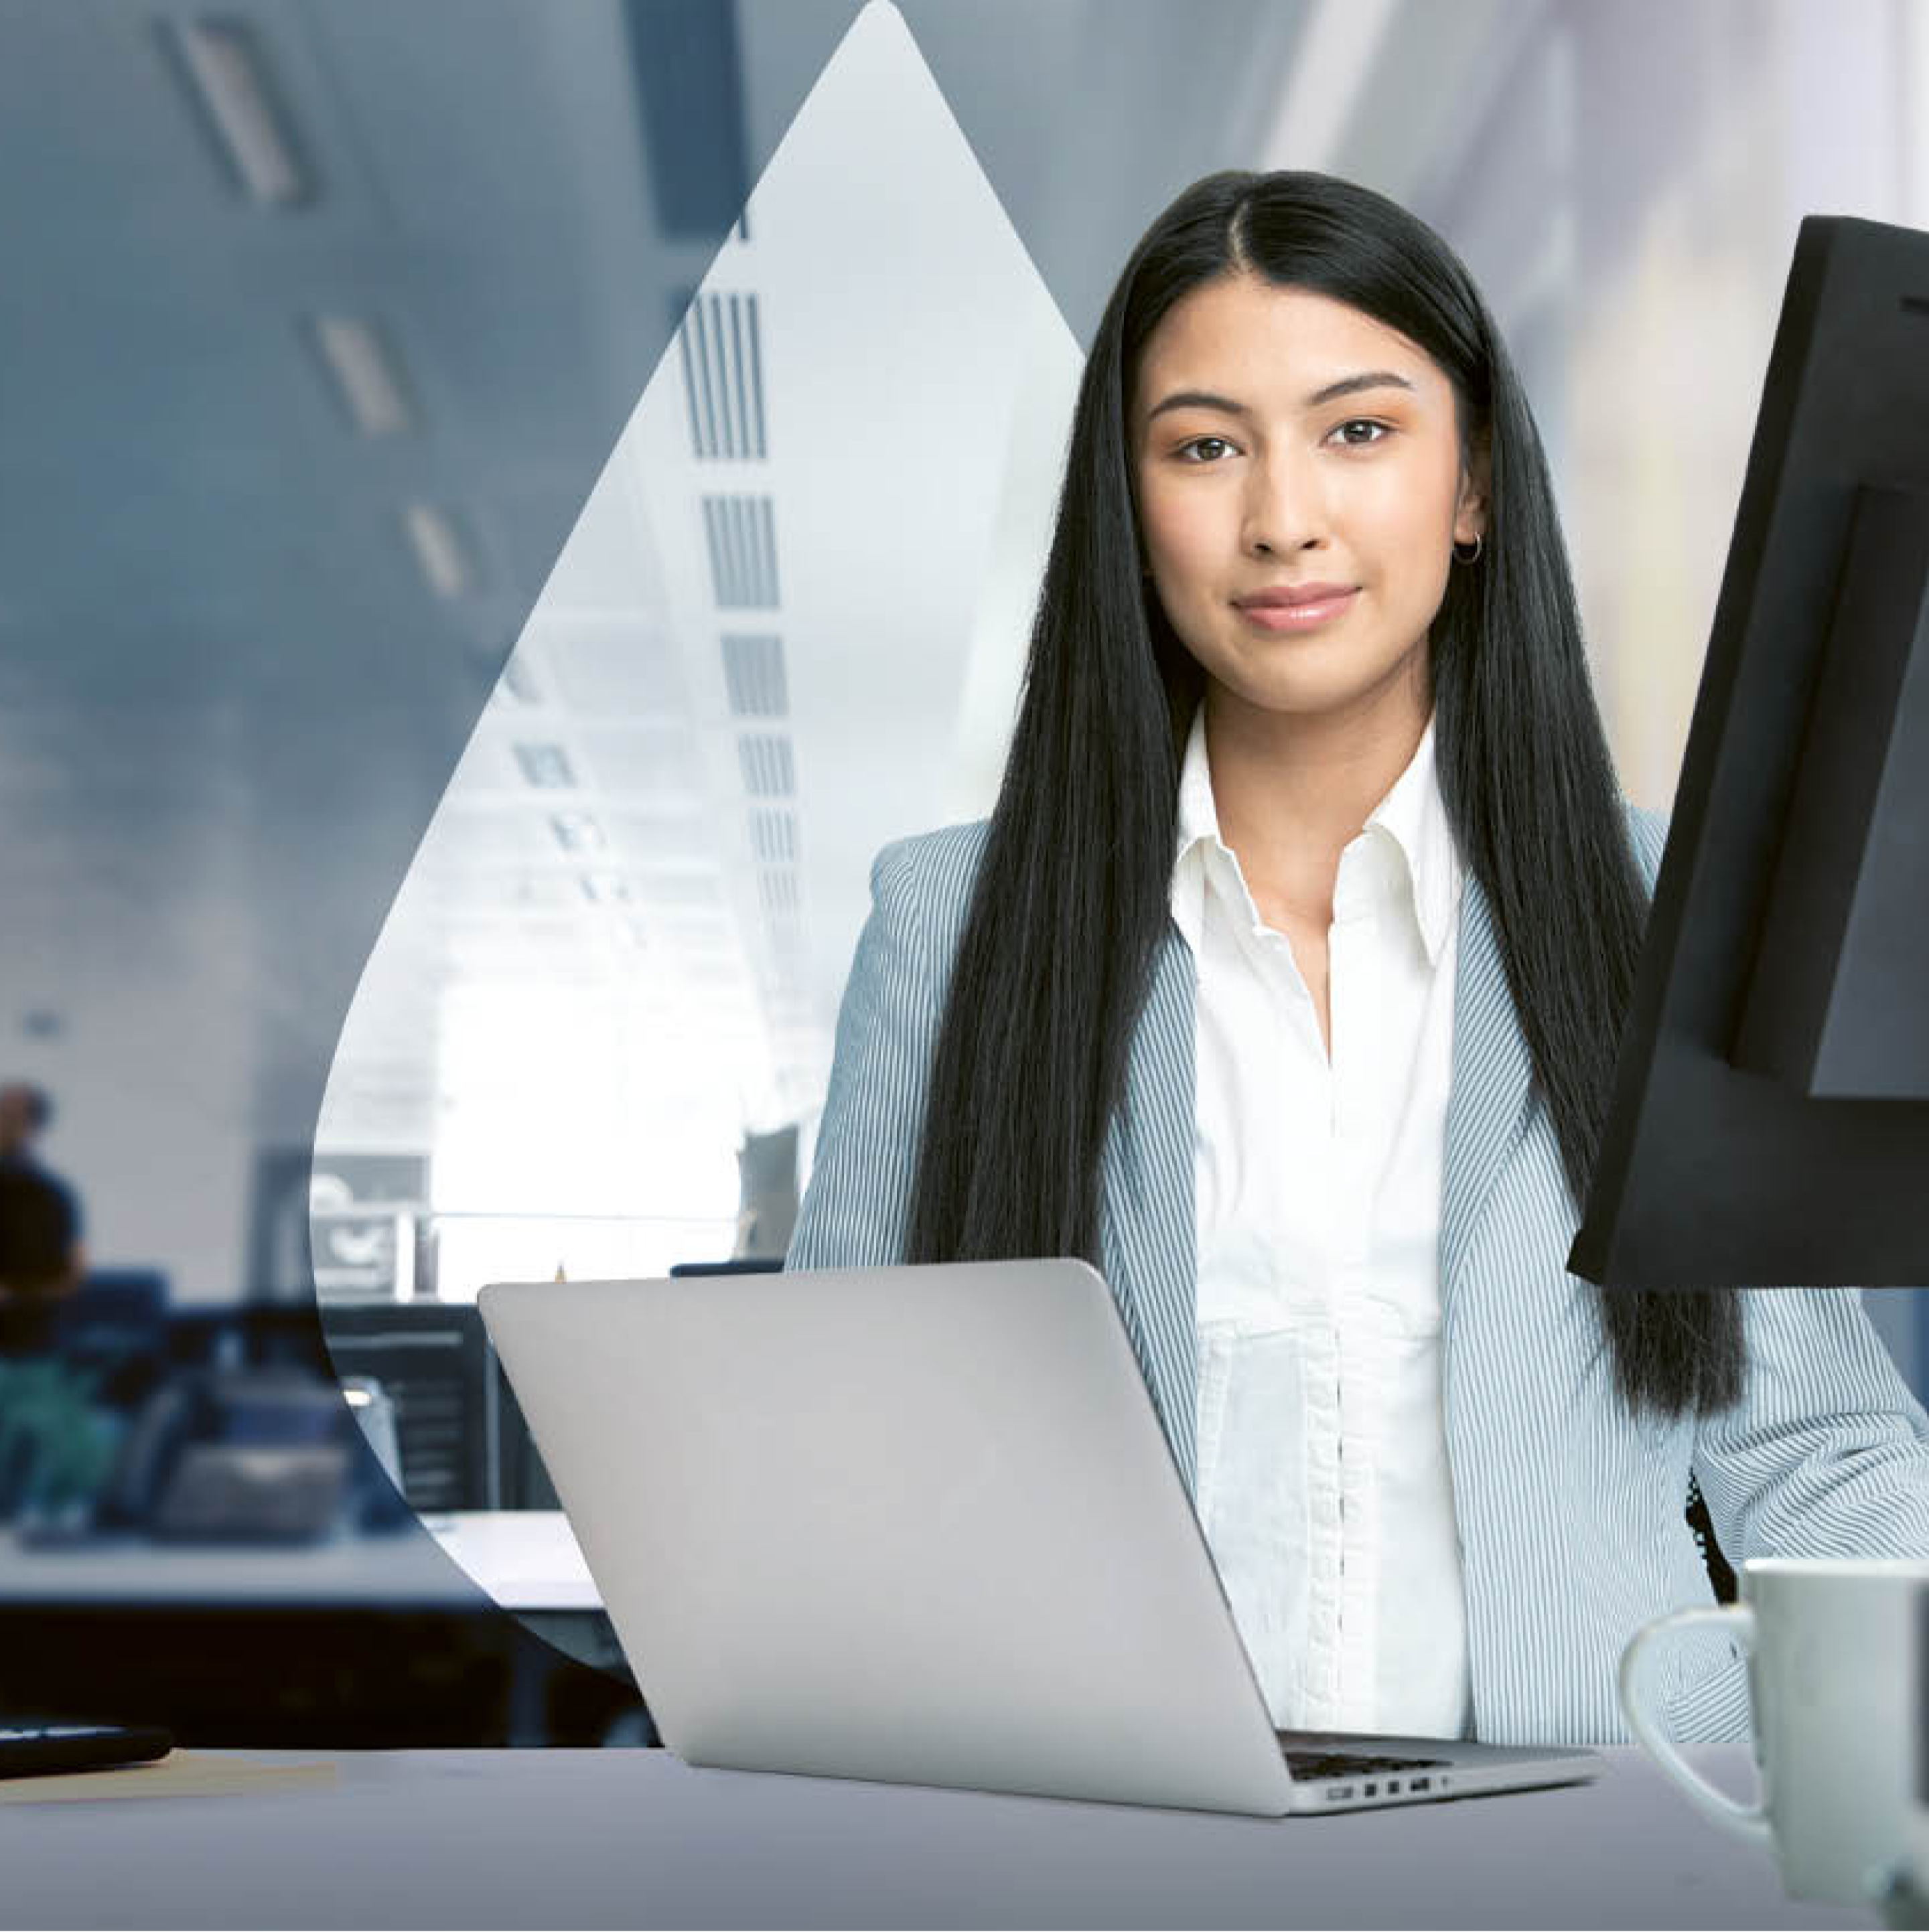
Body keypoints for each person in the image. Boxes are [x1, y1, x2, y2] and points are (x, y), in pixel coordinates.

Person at [784, 170, 1929, 1748]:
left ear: (1471, 489)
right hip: (1104, 1854)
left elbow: (1826, 1463)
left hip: (1588, 1856)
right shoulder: (951, 927)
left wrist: (1785, 1737)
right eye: (1202, 446)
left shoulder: (1663, 912)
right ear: (1125, 505)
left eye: (1358, 431)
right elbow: (822, 1477)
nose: (1280, 517)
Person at [0, 1082, 86, 1353]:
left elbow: (73, 1276)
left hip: (28, 1344)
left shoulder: (57, 1196)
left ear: (33, 1128)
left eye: (10, 1115)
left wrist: (17, 1295)